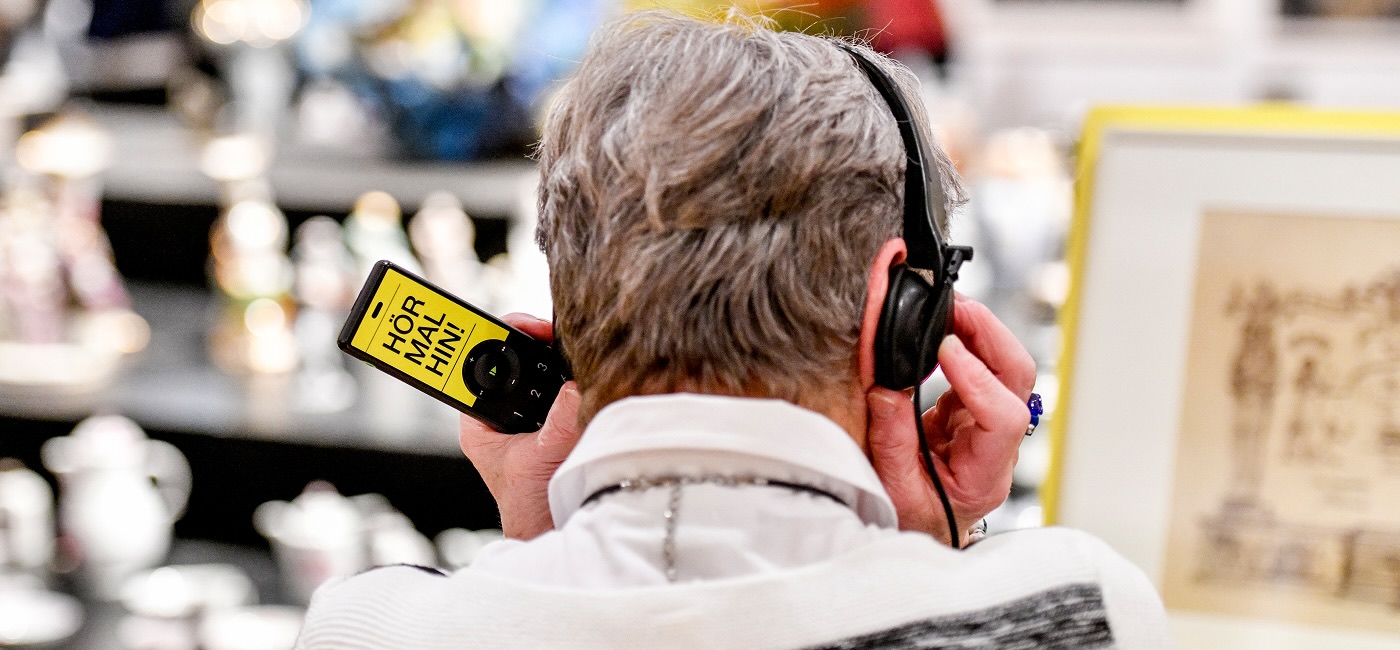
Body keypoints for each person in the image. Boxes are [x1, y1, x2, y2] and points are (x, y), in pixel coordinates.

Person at [295, 11, 1169, 649]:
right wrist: (932, 544)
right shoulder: (1082, 610)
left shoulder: (366, 631)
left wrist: (544, 538)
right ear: (896, 317)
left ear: (574, 301)